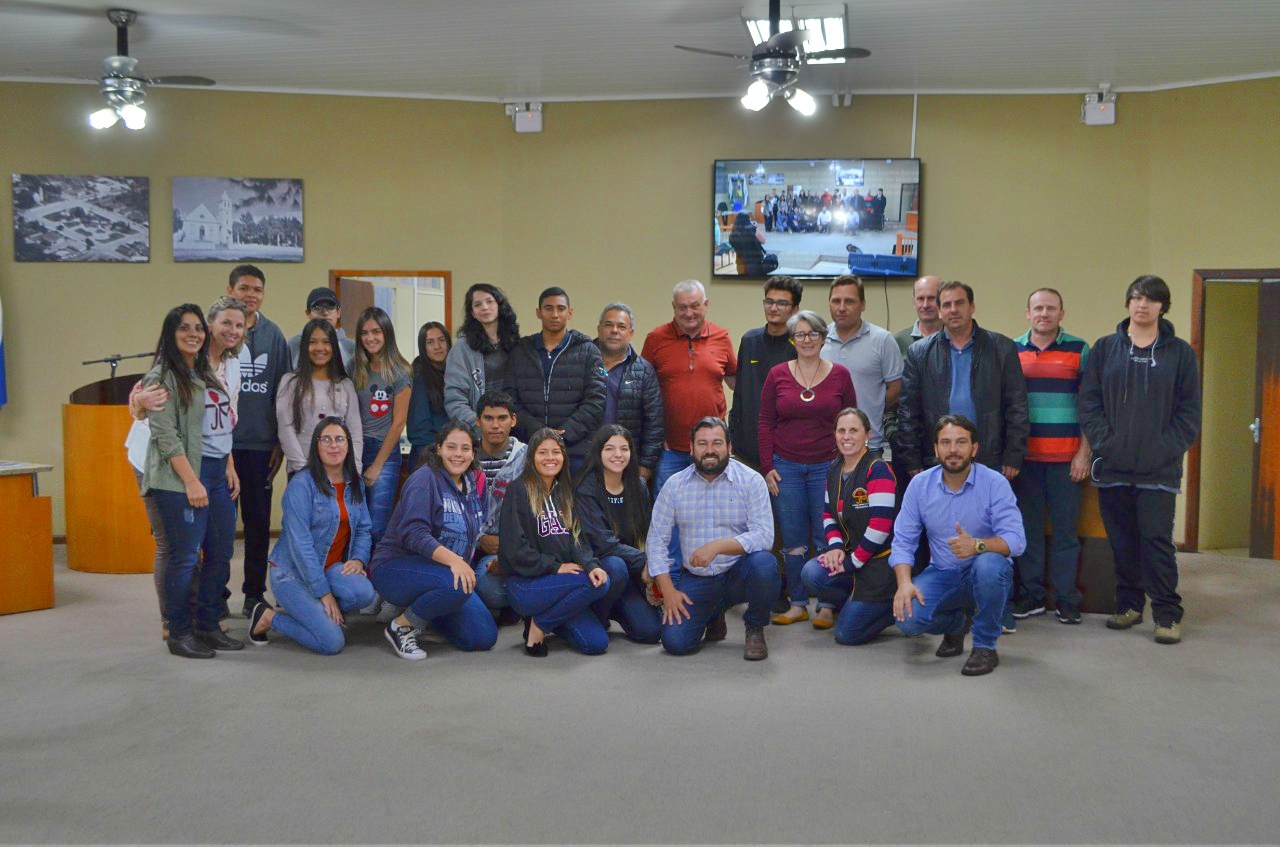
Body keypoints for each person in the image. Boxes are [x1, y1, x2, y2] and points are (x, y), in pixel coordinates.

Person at [1079, 275, 1201, 644]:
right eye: (1136, 297)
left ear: (1163, 307)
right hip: (1113, 466)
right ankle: (1129, 605)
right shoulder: (1104, 349)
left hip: (1158, 470)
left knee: (1156, 543)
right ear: (1128, 303)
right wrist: (1106, 443)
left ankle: (1166, 613)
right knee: (1122, 542)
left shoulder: (1180, 353)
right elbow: (1090, 402)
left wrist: (1164, 448)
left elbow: (1189, 413)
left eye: (1150, 299)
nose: (1142, 304)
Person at [126, 295, 247, 636]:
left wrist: (228, 462)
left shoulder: (227, 365)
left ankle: (205, 622)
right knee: (180, 549)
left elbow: (221, 421)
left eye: (239, 325)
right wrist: (138, 403)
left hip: (211, 464)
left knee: (218, 547)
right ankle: (175, 624)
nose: (233, 330)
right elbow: (145, 403)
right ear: (212, 326)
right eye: (226, 323)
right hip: (168, 465)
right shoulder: (174, 366)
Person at [889, 416, 1027, 676]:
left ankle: (985, 646)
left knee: (989, 565)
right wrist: (904, 583)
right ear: (936, 449)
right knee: (907, 619)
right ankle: (957, 623)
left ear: (974, 449)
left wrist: (977, 545)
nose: (953, 450)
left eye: (961, 442)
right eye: (946, 443)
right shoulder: (920, 485)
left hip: (983, 573)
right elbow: (903, 541)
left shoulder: (994, 482)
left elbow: (1016, 540)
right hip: (942, 572)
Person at [646, 417, 778, 660]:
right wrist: (668, 591)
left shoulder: (751, 481)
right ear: (691, 448)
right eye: (702, 443)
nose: (709, 450)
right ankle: (713, 614)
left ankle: (755, 628)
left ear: (729, 448)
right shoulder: (674, 486)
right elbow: (656, 541)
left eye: (717, 443)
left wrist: (718, 547)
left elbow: (764, 536)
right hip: (698, 578)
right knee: (675, 643)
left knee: (765, 564)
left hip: (738, 573)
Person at [367, 421, 500, 660]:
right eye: (451, 447)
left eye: (465, 448)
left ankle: (428, 611)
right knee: (457, 584)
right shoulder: (425, 479)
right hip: (396, 567)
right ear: (438, 448)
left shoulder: (471, 486)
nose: (458, 454)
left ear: (473, 453)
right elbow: (414, 534)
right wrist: (456, 562)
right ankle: (403, 625)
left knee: (483, 637)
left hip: (442, 575)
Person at [758, 310, 857, 624]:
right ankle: (798, 603)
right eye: (800, 334)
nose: (807, 339)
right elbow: (765, 422)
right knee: (793, 540)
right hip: (785, 467)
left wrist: (847, 467)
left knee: (828, 538)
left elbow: (851, 422)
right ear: (792, 339)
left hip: (827, 467)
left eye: (813, 333)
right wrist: (766, 466)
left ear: (823, 336)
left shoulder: (840, 374)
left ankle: (827, 604)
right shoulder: (777, 374)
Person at [246, 418, 376, 654]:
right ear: (316, 445)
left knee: (364, 592)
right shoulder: (301, 485)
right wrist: (323, 592)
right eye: (326, 439)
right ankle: (267, 617)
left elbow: (364, 528)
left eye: (340, 439)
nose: (334, 445)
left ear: (348, 445)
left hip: (329, 568)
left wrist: (358, 559)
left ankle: (321, 614)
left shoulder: (354, 483)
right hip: (292, 574)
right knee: (331, 643)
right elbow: (301, 546)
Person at [1011, 288, 1092, 624]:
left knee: (1065, 535)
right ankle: (1031, 597)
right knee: (1026, 533)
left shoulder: (1079, 349)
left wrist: (1084, 454)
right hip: (1025, 461)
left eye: (1051, 308)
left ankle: (1066, 600)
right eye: (1038, 308)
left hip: (1066, 460)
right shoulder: (1012, 350)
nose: (1044, 314)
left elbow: (1090, 407)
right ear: (1028, 314)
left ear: (1062, 313)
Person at [895, 280, 1028, 481]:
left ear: (972, 307)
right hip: (937, 461)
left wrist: (1014, 455)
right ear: (939, 311)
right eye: (947, 305)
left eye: (960, 303)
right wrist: (912, 460)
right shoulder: (919, 353)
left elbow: (1017, 406)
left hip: (990, 459)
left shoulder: (1002, 348)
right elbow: (908, 411)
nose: (953, 310)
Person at [499, 428, 614, 657]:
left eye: (556, 452)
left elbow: (578, 539)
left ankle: (541, 621)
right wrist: (555, 567)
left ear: (564, 457)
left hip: (560, 586)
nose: (550, 458)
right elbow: (514, 549)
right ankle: (539, 625)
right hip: (526, 585)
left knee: (596, 644)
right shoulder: (518, 491)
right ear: (531, 457)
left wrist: (591, 565)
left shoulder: (566, 493)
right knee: (598, 584)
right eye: (543, 452)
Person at [227, 264, 292, 617]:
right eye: (244, 288)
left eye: (257, 289)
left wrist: (280, 442)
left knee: (256, 527)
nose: (250, 295)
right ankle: (215, 595)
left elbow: (282, 394)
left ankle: (253, 593)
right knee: (220, 530)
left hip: (259, 449)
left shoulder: (274, 335)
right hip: (221, 448)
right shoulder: (219, 331)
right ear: (230, 289)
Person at [799, 408, 897, 639]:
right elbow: (828, 514)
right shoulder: (834, 468)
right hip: (851, 558)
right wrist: (835, 547)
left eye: (854, 430)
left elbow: (881, 526)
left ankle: (892, 607)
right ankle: (849, 598)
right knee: (811, 573)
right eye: (841, 430)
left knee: (847, 635)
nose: (847, 436)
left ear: (868, 435)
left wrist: (852, 562)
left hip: (879, 564)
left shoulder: (878, 469)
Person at [641, 280, 737, 494]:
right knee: (668, 515)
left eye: (695, 305)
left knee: (714, 511)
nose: (689, 313)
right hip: (670, 449)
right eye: (682, 307)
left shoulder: (722, 337)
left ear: (706, 305)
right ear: (673, 307)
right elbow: (644, 390)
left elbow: (736, 383)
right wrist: (655, 435)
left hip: (712, 448)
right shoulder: (655, 339)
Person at [576, 425, 662, 644]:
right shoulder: (586, 487)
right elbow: (603, 543)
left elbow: (650, 532)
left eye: (624, 449)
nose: (618, 455)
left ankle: (616, 607)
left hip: (630, 570)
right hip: (599, 569)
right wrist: (646, 562)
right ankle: (595, 613)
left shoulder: (639, 485)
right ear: (599, 452)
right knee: (615, 566)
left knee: (651, 632)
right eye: (610, 449)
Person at [507, 287, 606, 472]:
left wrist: (564, 433)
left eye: (560, 308)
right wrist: (539, 433)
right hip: (530, 447)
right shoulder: (521, 351)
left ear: (570, 313)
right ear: (539, 313)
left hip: (575, 450)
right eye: (548, 308)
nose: (554, 314)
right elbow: (511, 400)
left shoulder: (588, 351)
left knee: (573, 501)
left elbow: (596, 400)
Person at [821, 275, 904, 458]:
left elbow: (896, 388)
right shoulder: (818, 340)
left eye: (849, 301)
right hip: (826, 447)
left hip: (869, 446)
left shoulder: (882, 340)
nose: (841, 308)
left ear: (863, 304)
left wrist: (872, 407)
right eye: (836, 301)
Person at [351, 306, 412, 543]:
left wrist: (377, 465)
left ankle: (375, 575)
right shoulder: (354, 369)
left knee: (377, 525)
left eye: (376, 331)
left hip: (384, 452)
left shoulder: (400, 372)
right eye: (364, 333)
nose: (370, 338)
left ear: (386, 333)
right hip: (354, 448)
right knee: (354, 520)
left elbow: (398, 424)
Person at [728, 276, 800, 469]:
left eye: (782, 303)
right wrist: (734, 435)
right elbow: (740, 393)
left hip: (784, 452)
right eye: (769, 301)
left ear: (795, 309)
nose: (773, 308)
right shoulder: (750, 340)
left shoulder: (800, 345)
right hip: (747, 449)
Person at [276, 318, 363, 477]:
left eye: (326, 342)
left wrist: (354, 470)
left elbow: (355, 430)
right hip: (302, 472)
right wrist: (303, 471)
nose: (319, 348)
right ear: (304, 346)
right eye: (313, 342)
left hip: (340, 473)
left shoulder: (346, 385)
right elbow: (285, 428)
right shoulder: (290, 382)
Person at [470, 390, 527, 619]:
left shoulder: (527, 456)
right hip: (467, 544)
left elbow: (535, 511)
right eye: (488, 418)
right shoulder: (464, 455)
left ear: (513, 420)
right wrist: (479, 538)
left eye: (502, 418)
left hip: (507, 547)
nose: (495, 425)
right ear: (477, 421)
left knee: (492, 591)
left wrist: (508, 543)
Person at [595, 302, 664, 481]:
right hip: (586, 460)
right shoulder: (582, 361)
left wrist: (645, 468)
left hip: (626, 464)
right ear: (599, 329)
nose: (614, 331)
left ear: (631, 333)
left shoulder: (644, 371)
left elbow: (654, 423)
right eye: (608, 325)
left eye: (621, 326)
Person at [443, 283, 521, 425]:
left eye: (489, 302)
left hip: (514, 428)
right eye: (477, 304)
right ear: (472, 312)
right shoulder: (461, 349)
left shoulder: (516, 342)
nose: (484, 307)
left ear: (499, 305)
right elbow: (455, 399)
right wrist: (481, 424)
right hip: (477, 431)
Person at [406, 321, 451, 471]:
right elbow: (419, 429)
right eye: (430, 342)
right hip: (427, 457)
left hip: (449, 452)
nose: (437, 346)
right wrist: (441, 452)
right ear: (423, 347)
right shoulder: (419, 375)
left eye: (441, 340)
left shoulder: (455, 372)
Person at [286, 287, 356, 372]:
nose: (325, 313)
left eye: (330, 307)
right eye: (318, 308)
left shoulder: (351, 347)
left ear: (338, 312)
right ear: (308, 313)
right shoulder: (294, 344)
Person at [893, 275, 943, 358]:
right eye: (920, 299)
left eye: (931, 298)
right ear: (914, 302)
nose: (925, 305)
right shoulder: (899, 341)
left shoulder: (954, 337)